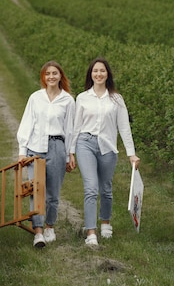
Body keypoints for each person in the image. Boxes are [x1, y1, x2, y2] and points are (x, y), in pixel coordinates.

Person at [69, 57, 141, 247]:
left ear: (107, 74)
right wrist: (71, 151)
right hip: (86, 144)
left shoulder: (116, 99)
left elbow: (124, 127)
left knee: (106, 189)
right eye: (95, 71)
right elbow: (76, 127)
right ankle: (91, 232)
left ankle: (105, 222)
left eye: (102, 71)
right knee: (91, 188)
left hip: (108, 147)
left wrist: (131, 154)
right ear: (90, 75)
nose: (98, 74)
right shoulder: (83, 97)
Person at [17, 60, 76, 248]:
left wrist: (69, 155)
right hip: (36, 148)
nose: (51, 77)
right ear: (43, 77)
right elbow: (27, 124)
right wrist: (22, 151)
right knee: (36, 190)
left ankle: (50, 225)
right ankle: (38, 232)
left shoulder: (67, 100)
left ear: (60, 76)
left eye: (55, 73)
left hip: (57, 147)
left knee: (52, 193)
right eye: (47, 74)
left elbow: (70, 129)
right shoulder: (35, 98)